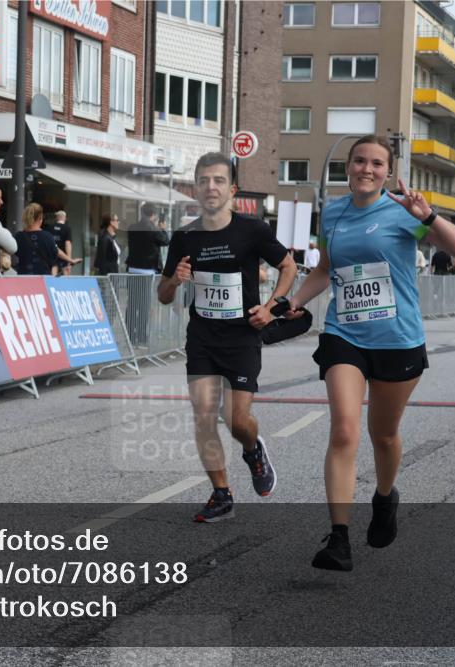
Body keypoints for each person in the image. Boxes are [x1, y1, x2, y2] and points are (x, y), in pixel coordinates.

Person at [285, 135, 455, 571]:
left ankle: (385, 497)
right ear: (348, 167)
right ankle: (339, 538)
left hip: (397, 339)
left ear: (388, 172)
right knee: (344, 430)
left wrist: (428, 216)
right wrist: (293, 302)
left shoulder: (404, 211)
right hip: (344, 335)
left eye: (375, 163)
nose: (366, 169)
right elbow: (325, 269)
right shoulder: (333, 212)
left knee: (384, 435)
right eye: (359, 161)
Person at [158, 151, 298, 523]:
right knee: (204, 416)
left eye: (219, 180)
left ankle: (253, 450)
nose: (211, 187)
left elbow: (288, 266)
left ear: (232, 189)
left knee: (236, 419)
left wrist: (271, 307)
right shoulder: (185, 236)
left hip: (242, 337)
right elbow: (163, 293)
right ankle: (221, 494)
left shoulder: (252, 229)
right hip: (202, 337)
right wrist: (175, 281)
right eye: (204, 181)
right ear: (195, 188)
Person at [126, 203, 171, 347]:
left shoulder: (132, 228)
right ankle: (141, 337)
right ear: (153, 214)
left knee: (132, 303)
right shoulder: (153, 229)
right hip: (147, 271)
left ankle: (130, 336)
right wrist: (163, 229)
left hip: (132, 269)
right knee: (144, 305)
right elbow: (166, 241)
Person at [14, 203, 60, 276]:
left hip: (23, 278)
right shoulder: (48, 236)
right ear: (40, 218)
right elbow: (54, 262)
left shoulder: (18, 236)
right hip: (43, 279)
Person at [44, 210, 80, 275]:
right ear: (65, 218)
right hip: (63, 257)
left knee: (53, 275)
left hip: (52, 256)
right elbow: (67, 243)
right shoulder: (67, 229)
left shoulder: (49, 228)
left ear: (56, 218)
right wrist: (69, 259)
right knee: (65, 277)